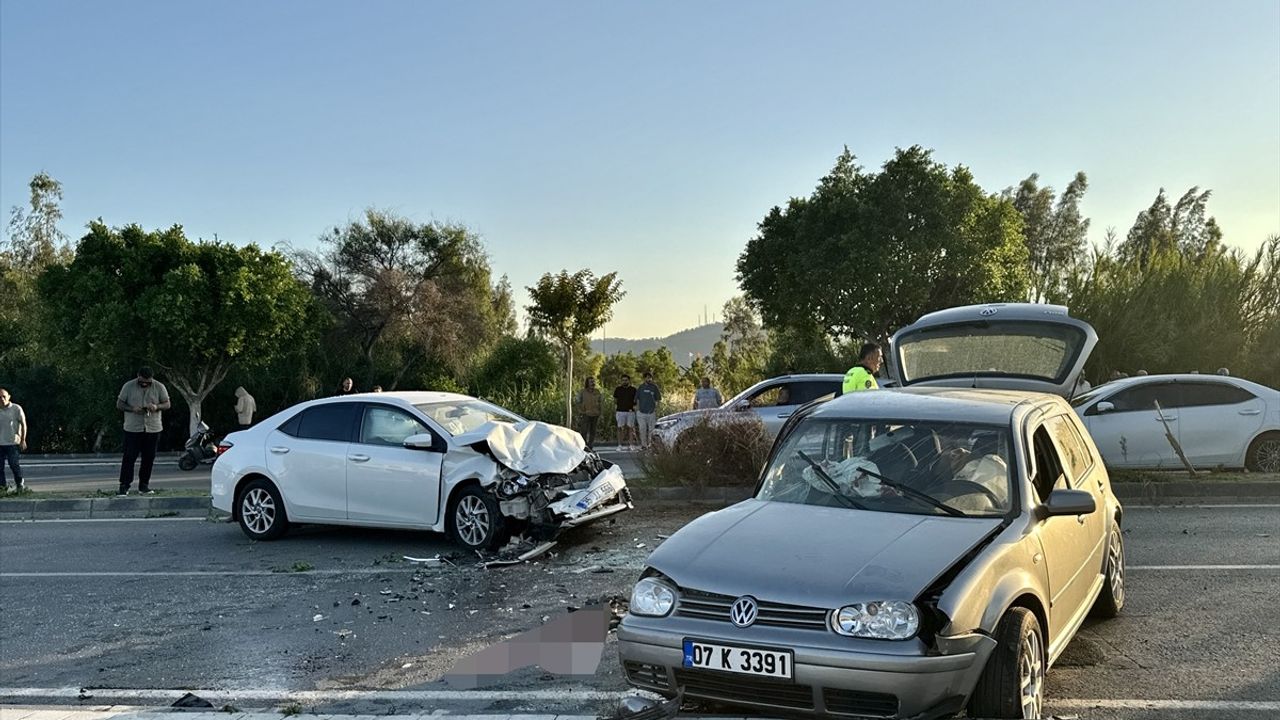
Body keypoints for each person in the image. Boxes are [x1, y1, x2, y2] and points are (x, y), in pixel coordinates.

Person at [116, 367, 170, 496]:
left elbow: (167, 404)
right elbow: (119, 404)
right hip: (133, 428)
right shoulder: (128, 386)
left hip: (153, 428)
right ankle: (124, 485)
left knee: (149, 458)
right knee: (129, 457)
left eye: (148, 381)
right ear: (138, 376)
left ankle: (144, 485)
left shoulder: (159, 387)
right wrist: (131, 409)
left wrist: (156, 407)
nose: (145, 384)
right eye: (142, 381)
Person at [0, 388, 27, 493]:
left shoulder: (16, 408)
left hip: (13, 443)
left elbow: (24, 424)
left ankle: (19, 484)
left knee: (14, 464)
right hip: (0, 444)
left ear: (9, 397)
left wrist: (23, 439)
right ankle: (2, 488)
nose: (2, 399)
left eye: (4, 396)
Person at [635, 372, 662, 451]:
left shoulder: (654, 387)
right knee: (642, 429)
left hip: (651, 412)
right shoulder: (641, 387)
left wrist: (657, 409)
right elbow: (637, 399)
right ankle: (644, 445)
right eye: (647, 378)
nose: (649, 379)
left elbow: (658, 399)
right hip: (641, 413)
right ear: (644, 378)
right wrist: (637, 409)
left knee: (651, 430)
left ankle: (650, 445)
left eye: (650, 378)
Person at [574, 377, 602, 450]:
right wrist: (580, 410)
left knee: (593, 431)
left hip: (595, 414)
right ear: (587, 383)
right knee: (584, 431)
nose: (593, 383)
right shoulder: (582, 392)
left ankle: (590, 445)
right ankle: (584, 445)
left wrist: (600, 411)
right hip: (585, 414)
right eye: (591, 382)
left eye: (593, 381)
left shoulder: (597, 392)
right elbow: (577, 401)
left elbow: (601, 402)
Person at [613, 375, 638, 451]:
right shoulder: (618, 389)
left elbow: (636, 400)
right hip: (620, 411)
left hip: (630, 411)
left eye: (626, 380)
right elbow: (615, 400)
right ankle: (619, 445)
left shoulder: (633, 389)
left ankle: (631, 445)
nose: (624, 381)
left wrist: (635, 407)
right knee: (620, 428)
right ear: (621, 381)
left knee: (630, 428)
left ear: (629, 381)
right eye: (623, 380)